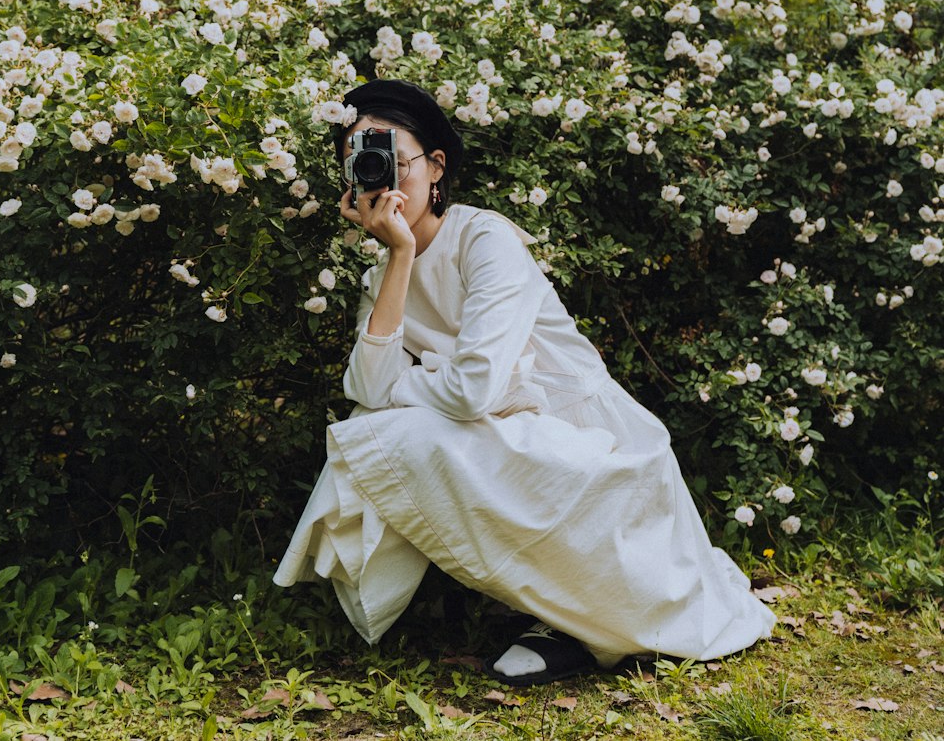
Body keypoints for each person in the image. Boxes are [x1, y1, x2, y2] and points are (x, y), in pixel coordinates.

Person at [274, 79, 774, 685]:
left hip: (579, 433)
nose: (379, 180)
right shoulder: (384, 271)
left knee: (398, 426)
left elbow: (471, 390)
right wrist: (399, 259)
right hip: (500, 429)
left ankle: (576, 620)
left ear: (436, 168)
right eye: (361, 166)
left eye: (391, 161)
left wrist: (412, 386)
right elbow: (368, 390)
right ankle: (522, 603)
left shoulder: (484, 238)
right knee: (375, 426)